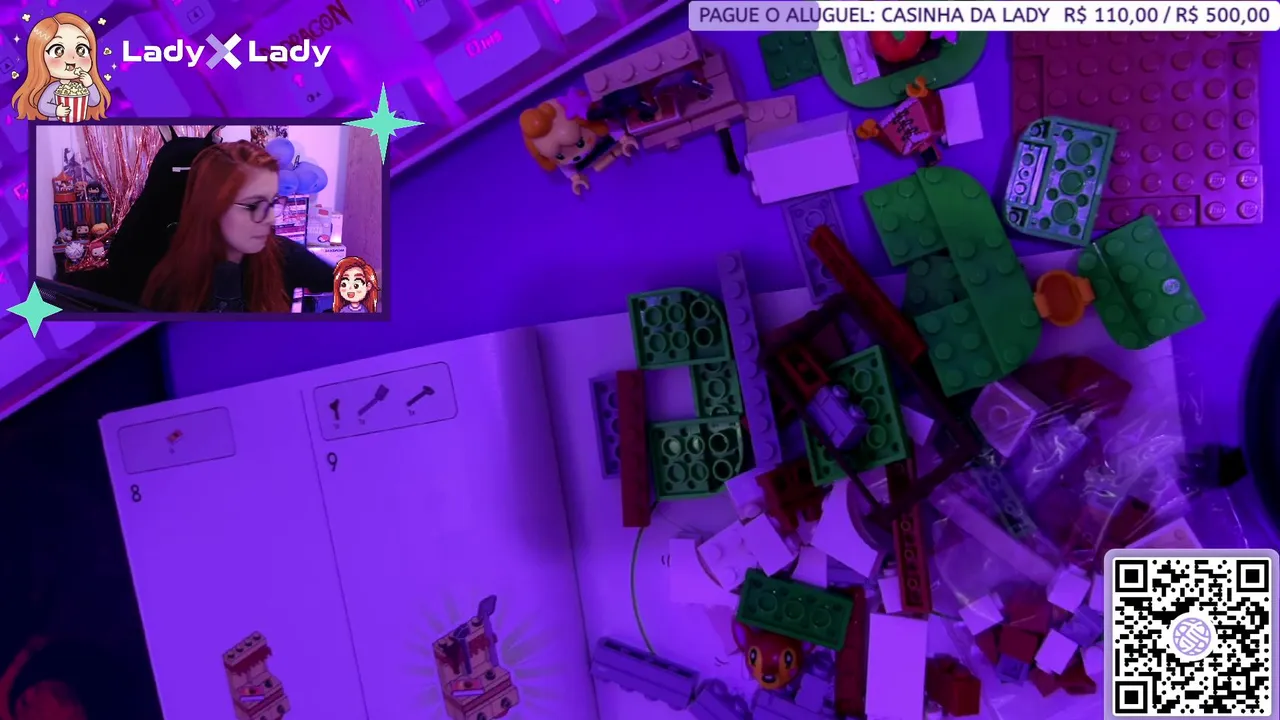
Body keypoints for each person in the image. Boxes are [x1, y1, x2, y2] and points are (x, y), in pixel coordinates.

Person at [140, 140, 335, 312]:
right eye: (253, 205)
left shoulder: (284, 255)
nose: (270, 219)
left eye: (273, 201)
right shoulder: (170, 284)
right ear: (212, 207)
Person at [10, 13, 111, 121]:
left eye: (81, 50)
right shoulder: (53, 88)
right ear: (39, 57)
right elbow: (43, 106)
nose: (71, 58)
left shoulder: (82, 87)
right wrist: (56, 110)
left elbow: (94, 101)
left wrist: (90, 85)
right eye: (58, 51)